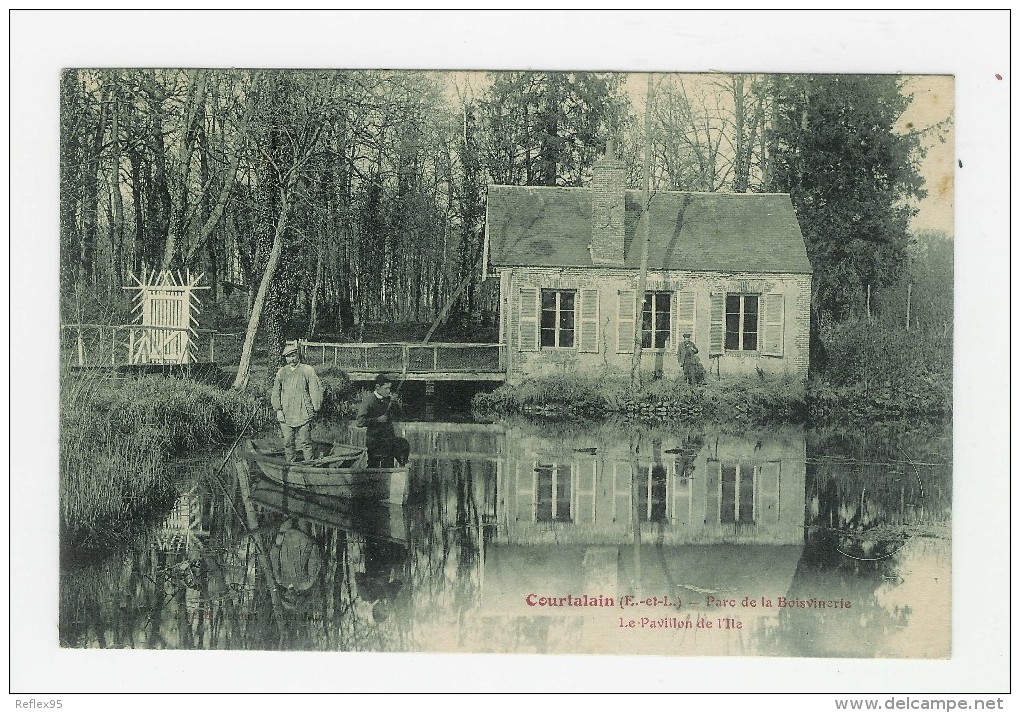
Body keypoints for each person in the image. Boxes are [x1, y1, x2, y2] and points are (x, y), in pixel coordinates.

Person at [270, 342, 323, 462]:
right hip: (286, 413)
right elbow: (275, 393)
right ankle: (290, 465)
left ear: (298, 355)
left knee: (306, 442)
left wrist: (315, 407)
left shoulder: (307, 370)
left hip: (303, 412)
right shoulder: (281, 372)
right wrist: (278, 410)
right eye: (289, 356)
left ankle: (309, 465)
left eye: (293, 355)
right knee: (288, 442)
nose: (292, 359)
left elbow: (315, 389)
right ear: (285, 358)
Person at [356, 373, 410, 467]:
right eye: (386, 388)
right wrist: (377, 420)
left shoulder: (389, 400)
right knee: (373, 466)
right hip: (375, 442)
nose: (389, 391)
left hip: (389, 441)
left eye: (390, 388)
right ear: (377, 387)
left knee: (389, 465)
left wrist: (395, 403)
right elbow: (360, 422)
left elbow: (401, 416)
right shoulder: (369, 400)